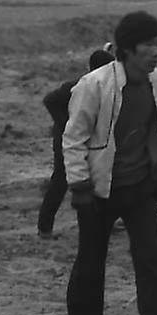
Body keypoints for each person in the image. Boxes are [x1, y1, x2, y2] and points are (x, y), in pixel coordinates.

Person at [63, 11, 157, 315]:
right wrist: (80, 186)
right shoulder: (95, 85)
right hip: (99, 186)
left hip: (140, 184)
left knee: (152, 259)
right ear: (127, 49)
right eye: (149, 45)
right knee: (91, 256)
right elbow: (73, 139)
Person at [38, 48, 115, 239]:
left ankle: (103, 220)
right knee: (61, 181)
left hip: (89, 139)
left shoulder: (104, 86)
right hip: (66, 139)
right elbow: (49, 100)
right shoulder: (76, 86)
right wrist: (66, 124)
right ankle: (44, 227)